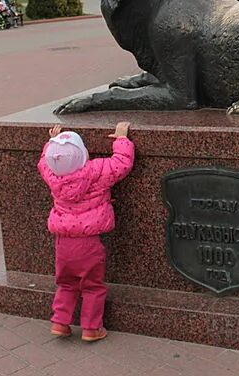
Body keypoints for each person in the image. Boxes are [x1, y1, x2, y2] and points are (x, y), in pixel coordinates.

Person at [39, 121, 135, 342]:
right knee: (92, 286)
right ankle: (92, 328)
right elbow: (122, 162)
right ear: (83, 154)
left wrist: (51, 142)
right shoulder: (96, 171)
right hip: (89, 243)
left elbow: (44, 162)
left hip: (63, 243)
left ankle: (60, 322)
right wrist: (121, 139)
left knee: (65, 283)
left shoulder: (52, 176)